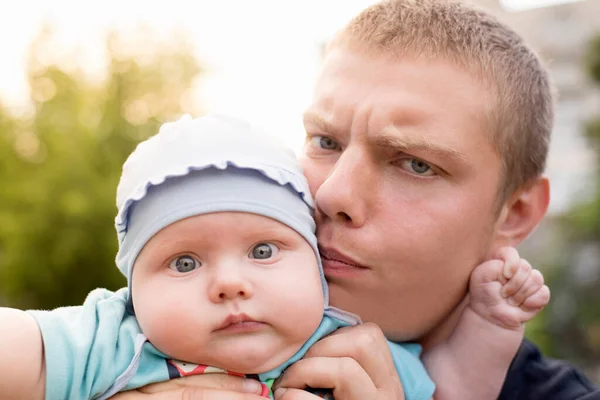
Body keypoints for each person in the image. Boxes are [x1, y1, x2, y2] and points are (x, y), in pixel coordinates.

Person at [108, 1, 600, 399]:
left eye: (415, 163)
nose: (332, 192)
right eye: (325, 142)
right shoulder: (140, 336)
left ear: (514, 214)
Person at [0, 114, 549, 400]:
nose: (230, 284)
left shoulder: (346, 347)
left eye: (263, 251)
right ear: (132, 288)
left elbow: (452, 390)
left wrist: (491, 322)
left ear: (315, 262)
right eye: (184, 263)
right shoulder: (115, 341)